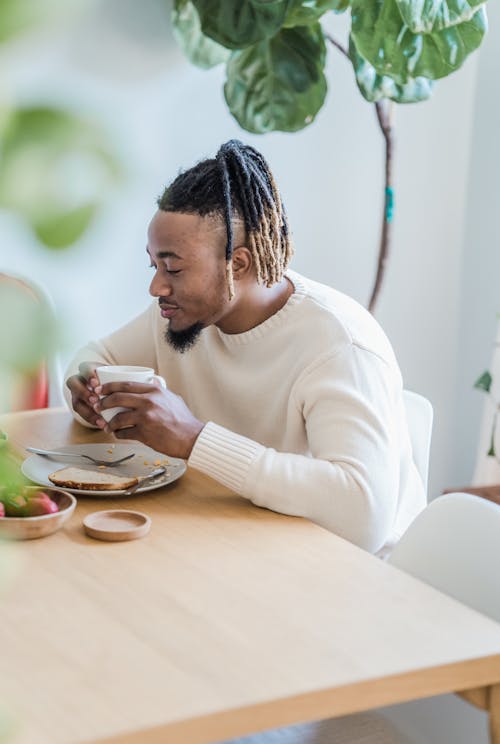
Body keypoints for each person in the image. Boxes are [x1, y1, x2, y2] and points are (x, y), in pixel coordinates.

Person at [65, 139, 425, 557]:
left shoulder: (340, 343)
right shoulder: (182, 313)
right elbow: (98, 356)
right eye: (154, 265)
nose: (157, 287)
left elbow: (364, 516)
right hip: (241, 541)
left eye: (174, 268)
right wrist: (88, 391)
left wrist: (194, 439)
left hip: (351, 573)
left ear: (238, 263)